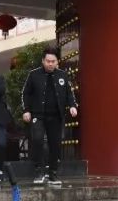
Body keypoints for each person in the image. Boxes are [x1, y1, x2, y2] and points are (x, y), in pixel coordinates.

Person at [21, 47, 78, 186]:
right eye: (48, 61)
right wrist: (26, 110)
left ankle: (52, 173)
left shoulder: (63, 75)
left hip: (56, 116)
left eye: (53, 61)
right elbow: (25, 93)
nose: (50, 64)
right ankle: (39, 171)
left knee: (55, 145)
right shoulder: (33, 75)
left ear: (57, 62)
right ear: (43, 61)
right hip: (38, 115)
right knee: (38, 140)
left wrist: (72, 106)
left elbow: (69, 93)